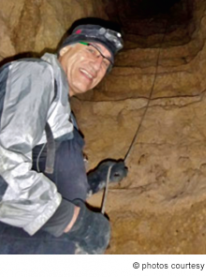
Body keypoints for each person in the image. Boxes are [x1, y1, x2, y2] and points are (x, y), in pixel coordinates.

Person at [0, 23, 128, 254]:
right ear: (65, 50)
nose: (98, 64)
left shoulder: (62, 114)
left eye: (106, 62)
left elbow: (45, 180)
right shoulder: (36, 74)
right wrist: (76, 222)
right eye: (91, 50)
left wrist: (96, 180)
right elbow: (4, 176)